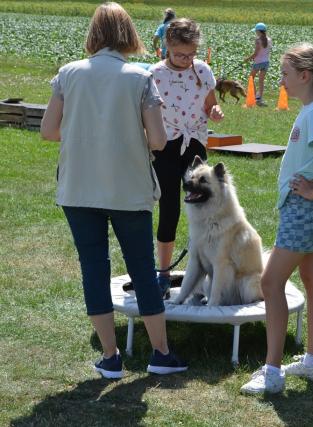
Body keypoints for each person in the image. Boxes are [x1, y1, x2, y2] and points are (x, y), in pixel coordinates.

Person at [40, 2, 188, 379]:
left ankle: (110, 357)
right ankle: (160, 353)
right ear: (129, 34)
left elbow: (49, 131)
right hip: (128, 187)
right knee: (141, 268)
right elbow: (158, 141)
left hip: (78, 187)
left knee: (93, 267)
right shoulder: (139, 78)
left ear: (94, 34)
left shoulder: (68, 74)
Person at [241, 43, 313, 394]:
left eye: (286, 75)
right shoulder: (312, 111)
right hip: (308, 209)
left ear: (305, 76)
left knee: (271, 283)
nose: (282, 81)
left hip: (307, 209)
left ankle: (272, 373)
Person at [149, 18, 224, 292]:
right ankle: (164, 273)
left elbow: (210, 105)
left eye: (191, 54)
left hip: (194, 146)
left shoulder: (202, 71)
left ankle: (205, 270)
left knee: (205, 209)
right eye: (180, 54)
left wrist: (214, 113)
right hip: (167, 146)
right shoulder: (155, 74)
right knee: (169, 208)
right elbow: (147, 113)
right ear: (167, 46)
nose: (186, 59)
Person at [244, 22, 272, 107]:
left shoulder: (258, 40)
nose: (255, 33)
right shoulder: (269, 39)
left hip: (258, 62)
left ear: (259, 31)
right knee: (261, 81)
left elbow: (256, 53)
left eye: (256, 31)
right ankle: (259, 98)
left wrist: (247, 59)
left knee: (251, 78)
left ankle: (254, 96)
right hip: (266, 62)